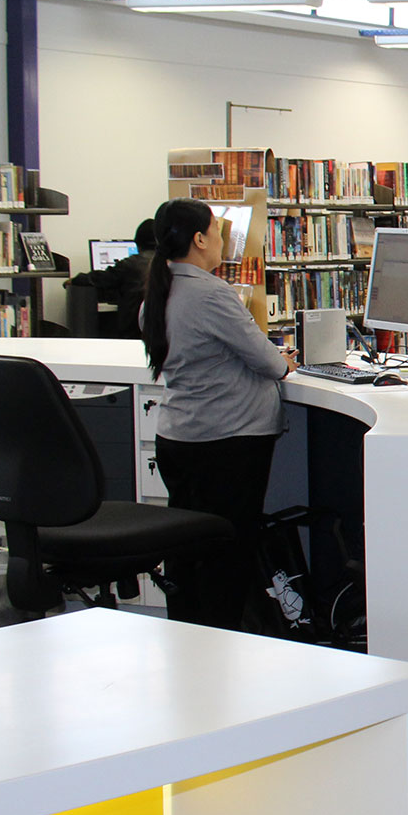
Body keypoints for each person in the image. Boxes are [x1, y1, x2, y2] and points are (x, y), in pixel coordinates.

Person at [140, 198, 297, 629]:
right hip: (227, 443)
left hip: (179, 439)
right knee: (227, 556)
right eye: (216, 229)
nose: (221, 238)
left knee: (188, 553)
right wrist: (286, 361)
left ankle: (188, 637)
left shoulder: (158, 292)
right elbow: (270, 364)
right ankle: (223, 644)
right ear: (199, 239)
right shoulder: (210, 294)